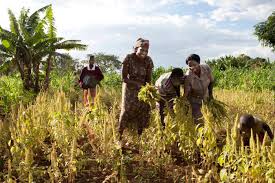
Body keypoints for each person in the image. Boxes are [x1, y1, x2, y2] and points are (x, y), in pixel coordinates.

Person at [118, 38, 154, 141]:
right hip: (129, 88)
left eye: (146, 51)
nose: (144, 53)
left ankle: (139, 136)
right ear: (136, 49)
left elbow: (148, 78)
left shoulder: (148, 60)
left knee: (143, 111)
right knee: (126, 111)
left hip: (142, 89)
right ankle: (119, 135)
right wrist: (136, 84)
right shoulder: (128, 58)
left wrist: (149, 89)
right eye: (142, 50)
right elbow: (124, 78)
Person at [184, 54, 214, 124]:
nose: (192, 67)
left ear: (199, 63)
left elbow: (211, 81)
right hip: (194, 100)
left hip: (205, 97)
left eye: (194, 65)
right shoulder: (188, 75)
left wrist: (211, 95)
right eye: (190, 66)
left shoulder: (206, 68)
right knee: (198, 121)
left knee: (208, 119)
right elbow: (187, 91)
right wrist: (184, 103)